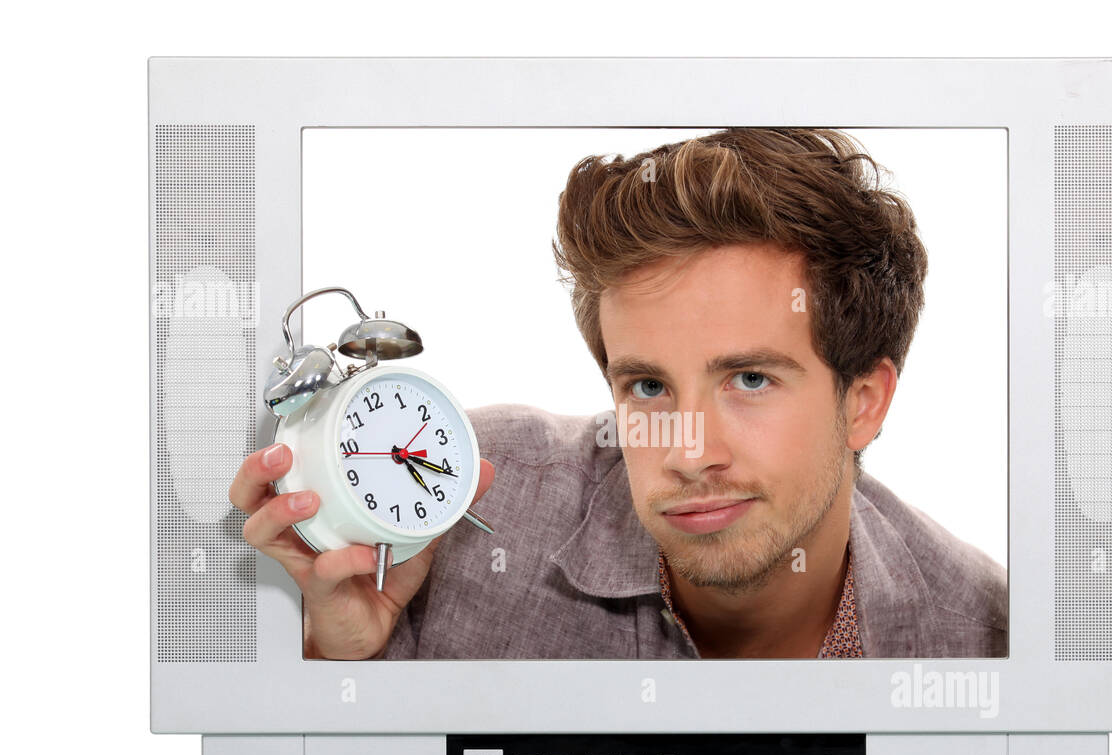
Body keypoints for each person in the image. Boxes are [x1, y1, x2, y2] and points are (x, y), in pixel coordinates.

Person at [229, 128, 1007, 661]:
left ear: (864, 401)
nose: (689, 453)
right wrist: (323, 661)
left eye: (750, 379)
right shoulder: (447, 519)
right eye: (647, 386)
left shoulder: (986, 637)